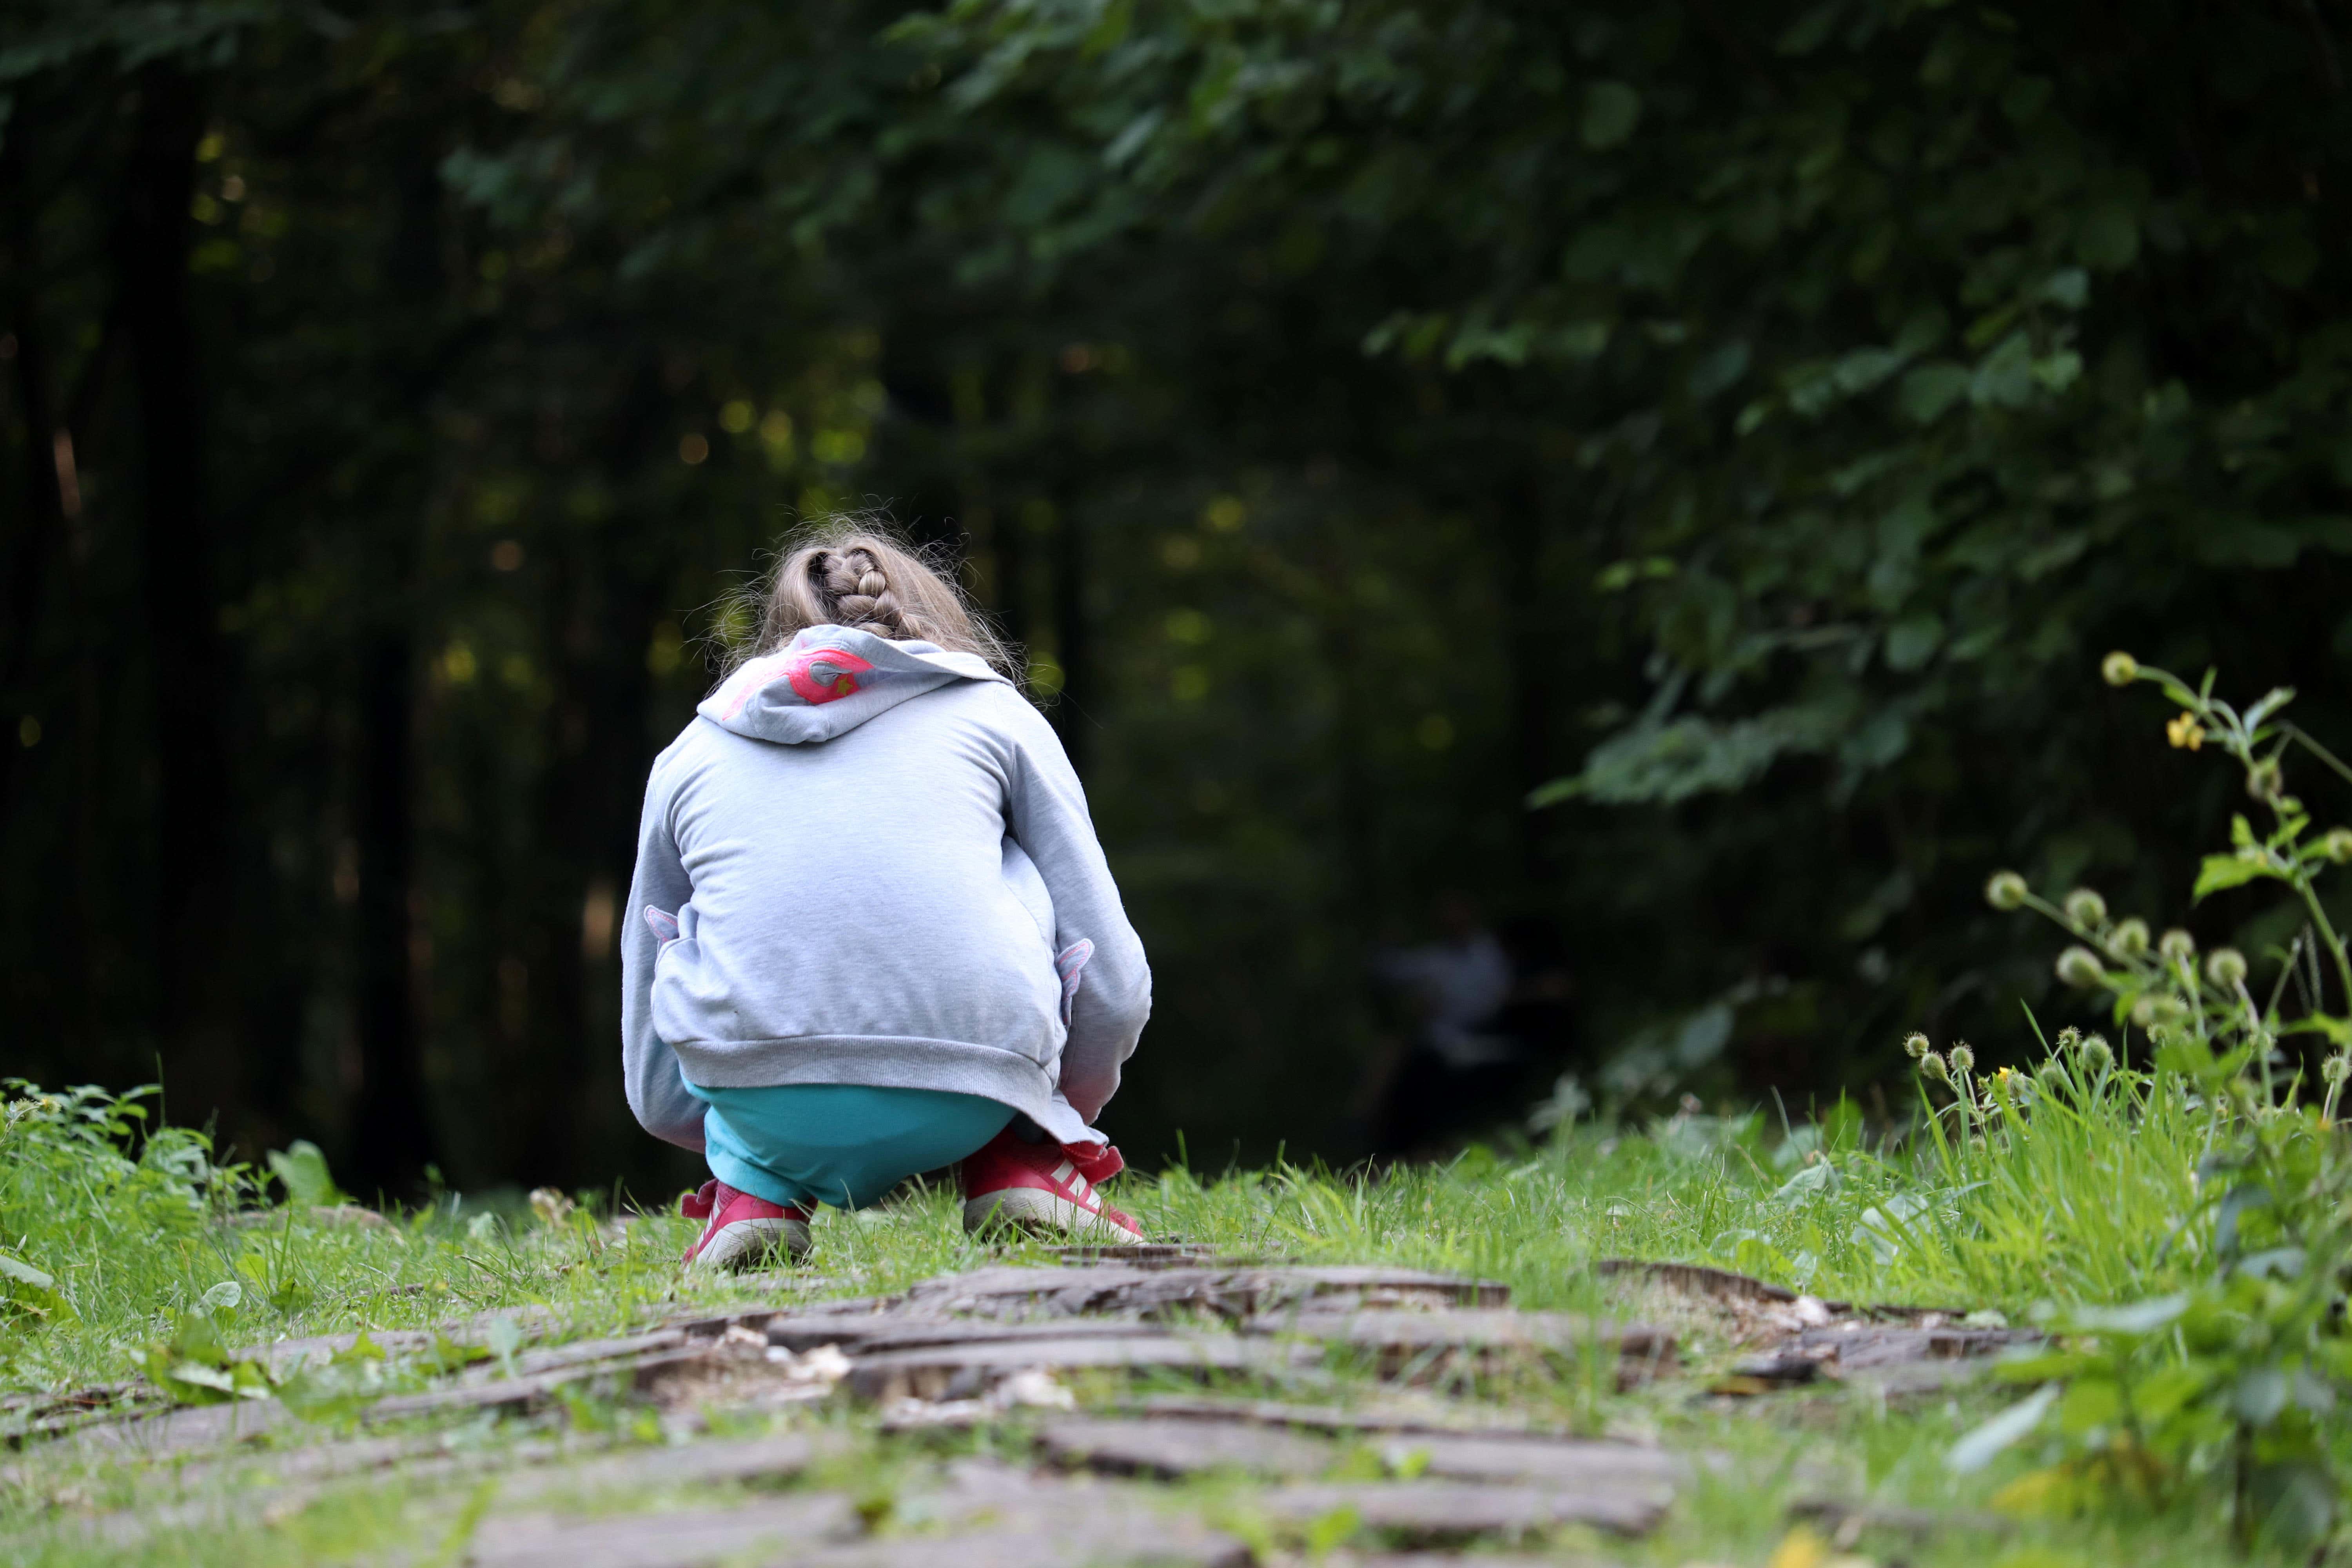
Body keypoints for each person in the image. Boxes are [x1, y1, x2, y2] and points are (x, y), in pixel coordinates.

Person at [621, 522, 1151, 1270]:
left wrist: (722, 1128)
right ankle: (1019, 1161)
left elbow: (650, 981)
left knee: (723, 916)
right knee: (1006, 874)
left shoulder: (692, 752)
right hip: (976, 1088)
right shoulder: (995, 717)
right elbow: (1114, 977)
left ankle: (754, 1191)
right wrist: (1054, 1109)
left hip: (758, 1095)